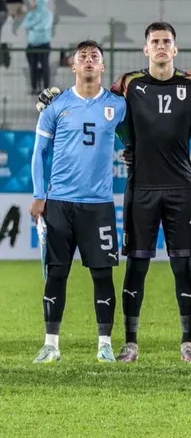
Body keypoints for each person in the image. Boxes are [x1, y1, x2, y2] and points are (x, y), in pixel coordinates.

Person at [33, 23, 191, 363]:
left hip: (180, 187)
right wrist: (49, 98)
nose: (161, 46)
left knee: (182, 265)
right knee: (137, 264)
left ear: (175, 49)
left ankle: (188, 342)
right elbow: (95, 101)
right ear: (145, 49)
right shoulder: (128, 87)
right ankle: (129, 343)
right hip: (140, 187)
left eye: (167, 42)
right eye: (155, 41)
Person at [30, 41, 127, 364]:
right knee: (56, 274)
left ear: (102, 67)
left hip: (98, 205)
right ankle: (51, 344)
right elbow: (38, 154)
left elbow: (137, 137)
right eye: (82, 57)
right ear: (73, 66)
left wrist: (133, 153)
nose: (88, 61)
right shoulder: (56, 106)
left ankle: (104, 344)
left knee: (102, 275)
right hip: (59, 203)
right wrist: (39, 195)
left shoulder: (117, 105)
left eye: (94, 57)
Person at [24, 0, 54, 95]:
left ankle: (46, 88)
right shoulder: (31, 13)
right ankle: (34, 87)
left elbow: (44, 26)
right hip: (31, 45)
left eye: (34, 0)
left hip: (43, 45)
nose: (32, 3)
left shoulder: (48, 14)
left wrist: (33, 25)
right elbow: (25, 24)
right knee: (33, 67)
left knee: (45, 67)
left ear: (39, 1)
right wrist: (35, 23)